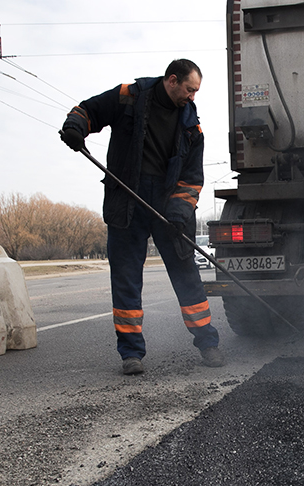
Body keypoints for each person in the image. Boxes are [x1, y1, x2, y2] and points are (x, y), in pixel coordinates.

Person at [60, 59, 225, 375]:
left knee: (186, 276)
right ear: (172, 80)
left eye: (196, 92)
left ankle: (208, 343)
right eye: (190, 90)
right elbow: (88, 110)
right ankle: (131, 353)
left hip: (169, 208)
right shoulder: (129, 97)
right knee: (125, 277)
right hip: (127, 202)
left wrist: (178, 213)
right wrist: (75, 128)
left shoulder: (193, 126)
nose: (193, 97)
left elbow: (192, 179)